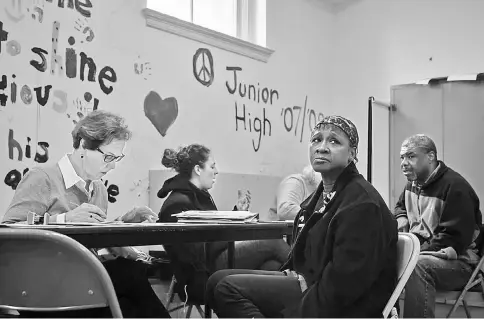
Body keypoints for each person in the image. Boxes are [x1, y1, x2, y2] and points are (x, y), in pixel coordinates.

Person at [205, 115, 398, 318]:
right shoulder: (321, 196)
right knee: (215, 281)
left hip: (337, 303)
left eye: (334, 141)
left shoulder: (362, 204)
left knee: (227, 288)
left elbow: (344, 285)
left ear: (352, 154)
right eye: (316, 139)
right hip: (309, 282)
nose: (322, 147)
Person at [2, 110, 170, 318]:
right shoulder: (42, 178)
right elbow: (9, 231)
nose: (113, 165)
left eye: (117, 158)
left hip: (78, 282)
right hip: (41, 287)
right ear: (83, 144)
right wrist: (64, 220)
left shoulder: (98, 189)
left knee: (128, 304)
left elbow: (88, 239)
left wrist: (119, 224)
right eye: (108, 157)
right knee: (128, 273)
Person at [157, 144, 291, 302]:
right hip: (202, 275)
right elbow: (197, 253)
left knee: (272, 267)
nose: (216, 171)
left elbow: (212, 232)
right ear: (198, 169)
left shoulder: (198, 196)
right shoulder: (178, 203)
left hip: (213, 262)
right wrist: (231, 234)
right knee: (273, 242)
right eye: (212, 166)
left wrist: (236, 214)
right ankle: (312, 281)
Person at [395, 134, 482, 318]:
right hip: (425, 252)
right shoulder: (413, 184)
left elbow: (452, 239)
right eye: (402, 157)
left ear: (431, 157)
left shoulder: (456, 188)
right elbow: (400, 206)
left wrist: (412, 254)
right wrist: (401, 217)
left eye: (411, 156)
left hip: (460, 263)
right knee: (382, 259)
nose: (403, 162)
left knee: (417, 266)